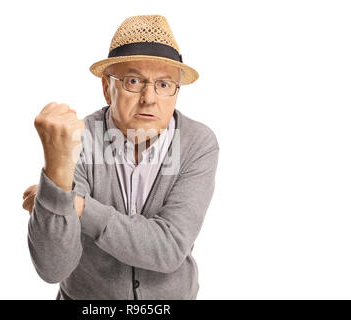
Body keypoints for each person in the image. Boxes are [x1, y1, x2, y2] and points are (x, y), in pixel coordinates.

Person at [23, 15, 220, 300]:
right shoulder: (80, 139)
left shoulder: (197, 143)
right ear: (107, 88)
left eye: (164, 85)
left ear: (176, 93)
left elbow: (169, 248)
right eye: (133, 80)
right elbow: (53, 268)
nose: (149, 98)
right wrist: (56, 169)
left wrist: (76, 206)